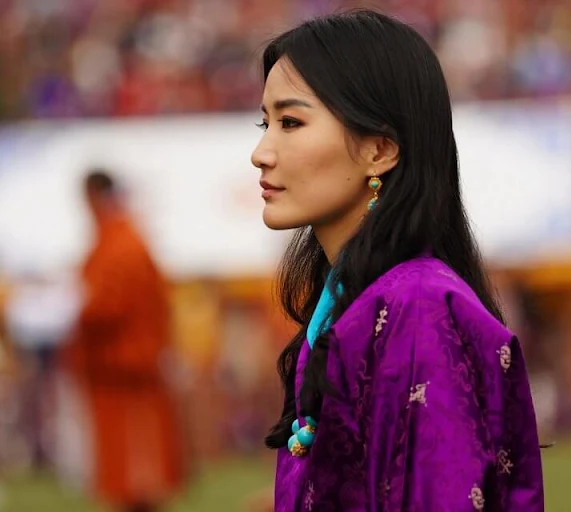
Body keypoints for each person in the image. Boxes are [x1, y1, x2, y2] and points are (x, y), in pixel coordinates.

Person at [251, 10, 544, 511]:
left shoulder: (418, 306)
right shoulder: (359, 300)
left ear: (380, 150)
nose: (261, 152)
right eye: (266, 123)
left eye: (291, 122)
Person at [61, 170, 183, 512]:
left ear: (93, 196)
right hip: (127, 363)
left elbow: (107, 303)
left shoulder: (119, 241)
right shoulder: (124, 236)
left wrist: (71, 309)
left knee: (131, 461)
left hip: (124, 365)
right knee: (132, 454)